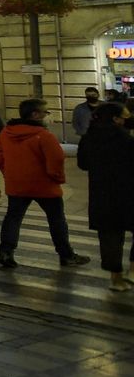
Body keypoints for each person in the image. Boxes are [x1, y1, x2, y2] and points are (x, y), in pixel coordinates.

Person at [0, 98, 90, 269]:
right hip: (44, 185)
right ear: (35, 114)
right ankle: (66, 255)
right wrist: (57, 178)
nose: (48, 115)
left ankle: (6, 251)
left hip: (17, 184)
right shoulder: (44, 135)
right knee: (56, 220)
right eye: (46, 112)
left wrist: (9, 172)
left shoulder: (7, 132)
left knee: (13, 218)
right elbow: (56, 159)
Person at [74, 101, 134, 291]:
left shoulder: (88, 138)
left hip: (101, 194)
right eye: (125, 117)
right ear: (116, 119)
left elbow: (83, 164)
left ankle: (115, 279)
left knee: (109, 237)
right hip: (128, 192)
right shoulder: (125, 140)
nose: (128, 120)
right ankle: (133, 270)